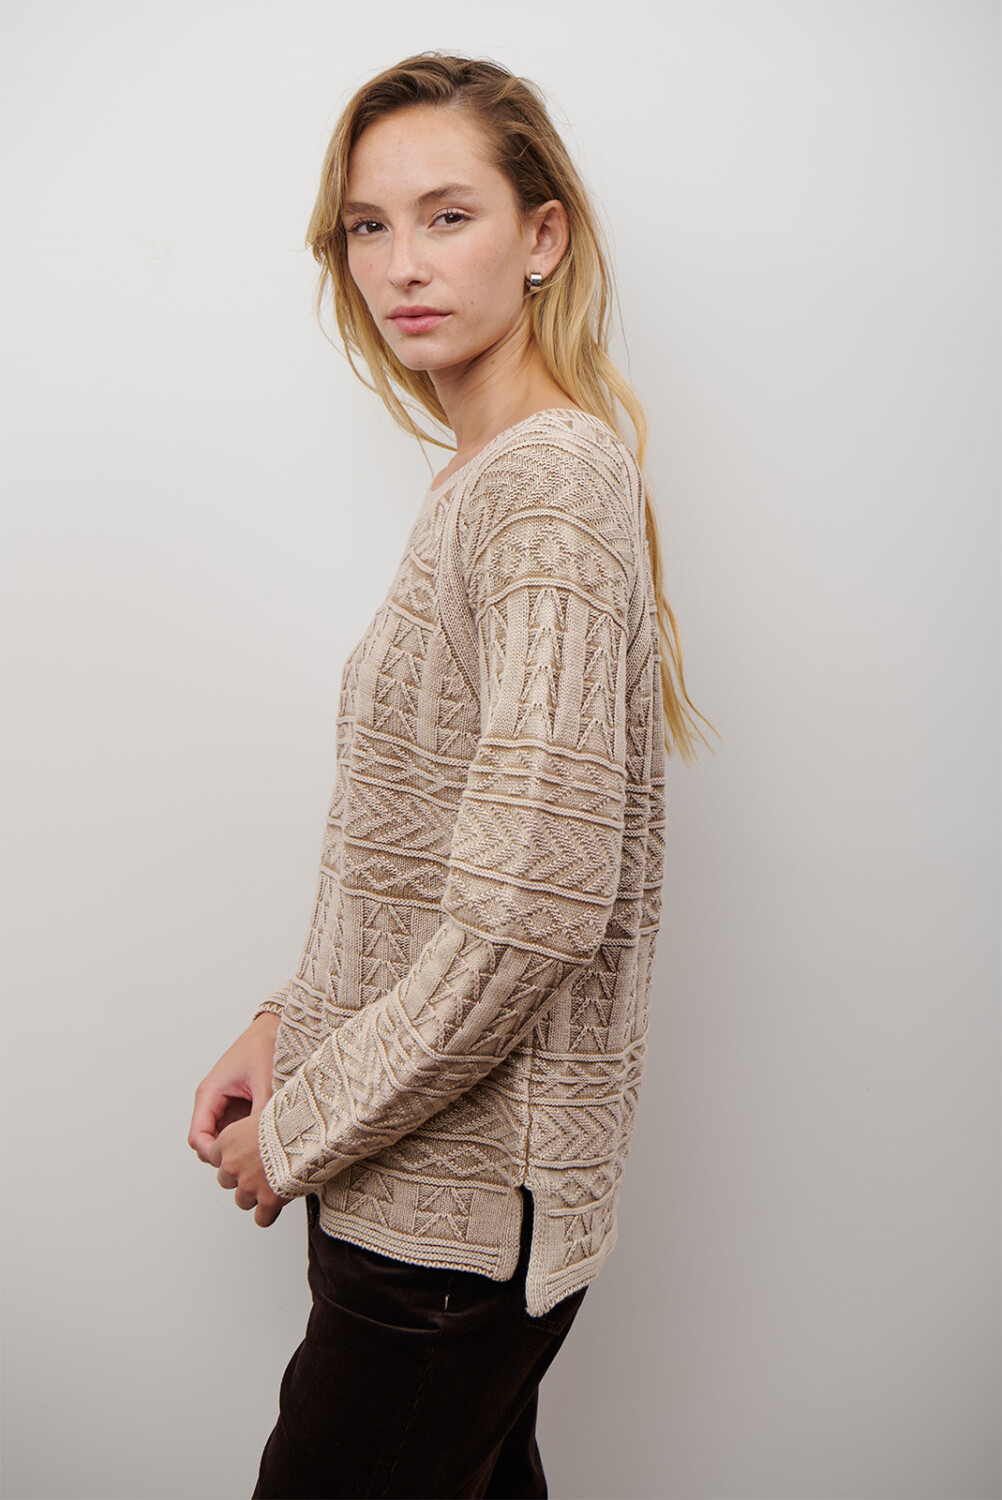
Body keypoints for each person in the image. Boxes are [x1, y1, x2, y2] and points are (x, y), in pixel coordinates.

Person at [188, 51, 712, 1500]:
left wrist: (305, 1123)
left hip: (450, 1230)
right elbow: (425, 845)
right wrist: (289, 1018)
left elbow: (533, 906)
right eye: (368, 226)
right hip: (421, 1192)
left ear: (542, 237)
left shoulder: (546, 485)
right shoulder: (487, 479)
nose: (401, 265)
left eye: (447, 216)